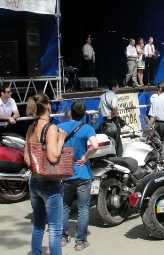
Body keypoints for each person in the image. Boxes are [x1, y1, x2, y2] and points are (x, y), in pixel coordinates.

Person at [24, 93, 66, 255]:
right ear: (48, 106)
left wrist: (36, 169)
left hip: (34, 181)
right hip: (50, 183)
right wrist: (61, 139)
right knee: (55, 228)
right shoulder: (51, 128)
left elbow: (26, 157)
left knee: (38, 225)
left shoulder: (30, 128)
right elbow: (53, 156)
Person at [58, 100, 98, 251]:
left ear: (70, 113)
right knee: (83, 208)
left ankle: (62, 238)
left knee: (65, 206)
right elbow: (94, 146)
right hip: (83, 174)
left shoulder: (59, 127)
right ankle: (80, 242)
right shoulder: (87, 128)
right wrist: (85, 157)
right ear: (84, 114)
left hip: (65, 172)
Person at [97, 79, 123, 156]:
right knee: (117, 139)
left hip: (105, 120)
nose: (118, 88)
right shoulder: (114, 96)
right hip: (113, 120)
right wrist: (113, 114)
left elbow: (99, 109)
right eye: (117, 86)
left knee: (108, 138)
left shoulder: (103, 96)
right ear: (113, 87)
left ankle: (109, 154)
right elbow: (114, 106)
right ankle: (119, 156)